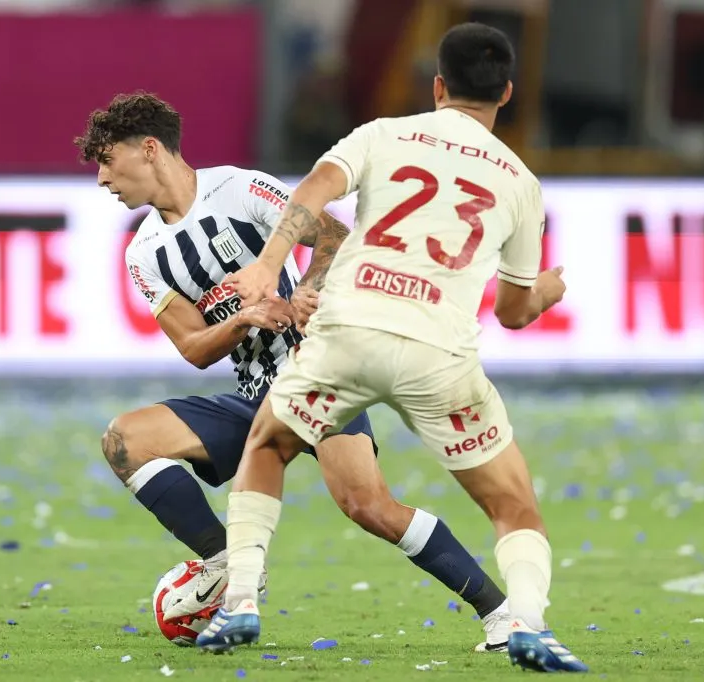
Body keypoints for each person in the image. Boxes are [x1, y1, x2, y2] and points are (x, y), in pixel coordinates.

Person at [196, 24, 588, 673]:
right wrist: (545, 292)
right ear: (507, 93)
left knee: (267, 444)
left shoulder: (383, 135)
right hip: (439, 353)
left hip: (348, 331)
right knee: (512, 503)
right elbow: (514, 313)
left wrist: (267, 263)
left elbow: (314, 190)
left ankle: (239, 600)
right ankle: (526, 620)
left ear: (437, 86)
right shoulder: (521, 182)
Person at [72, 92, 515, 649]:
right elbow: (193, 347)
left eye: (107, 161)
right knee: (125, 441)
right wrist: (245, 319)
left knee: (369, 506)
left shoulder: (241, 190)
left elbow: (334, 237)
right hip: (256, 396)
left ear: (150, 150)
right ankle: (226, 561)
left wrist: (307, 288)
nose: (102, 179)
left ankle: (501, 614)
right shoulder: (143, 254)